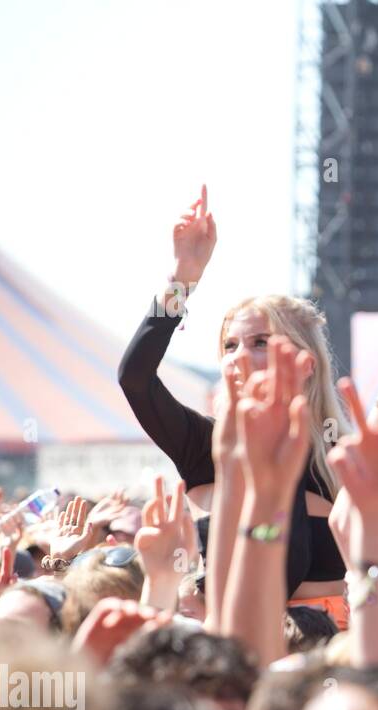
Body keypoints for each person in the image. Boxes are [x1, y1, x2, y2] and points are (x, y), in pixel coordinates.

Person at [117, 186, 352, 627]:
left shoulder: (338, 453)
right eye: (229, 345)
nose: (238, 356)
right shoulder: (204, 444)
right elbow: (136, 378)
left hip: (321, 658)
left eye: (259, 342)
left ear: (304, 359)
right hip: (227, 652)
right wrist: (183, 278)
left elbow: (290, 568)